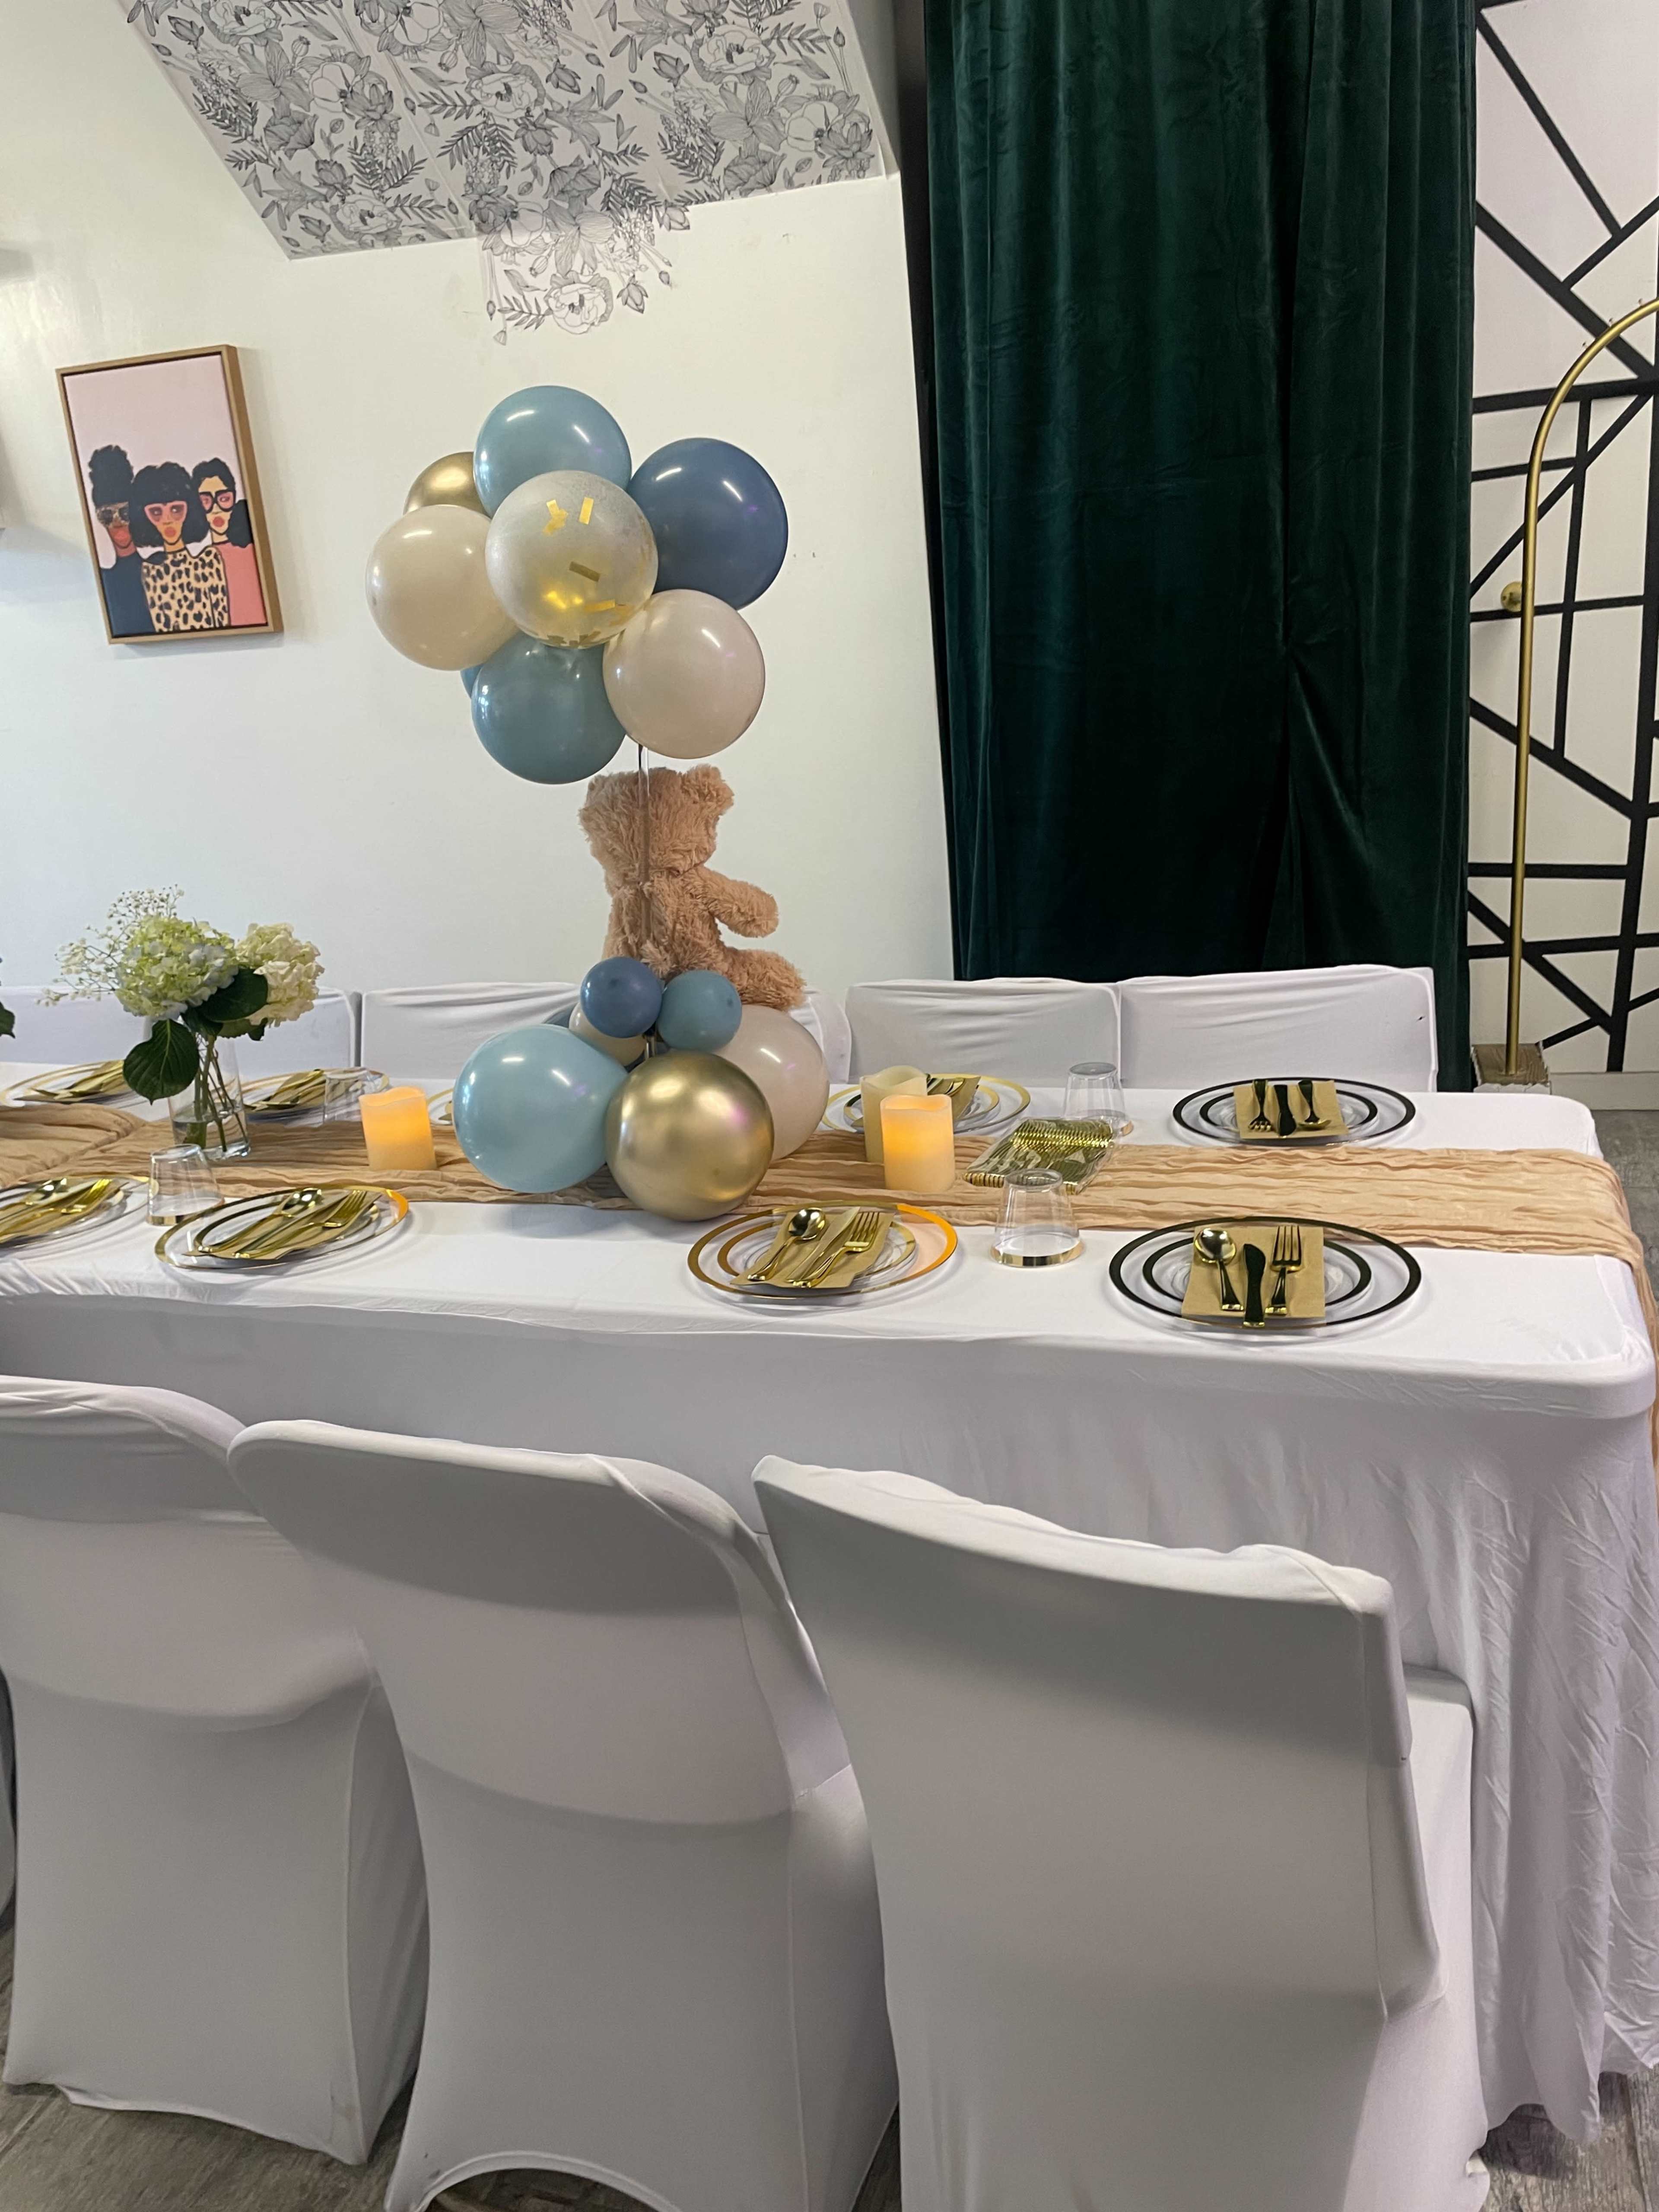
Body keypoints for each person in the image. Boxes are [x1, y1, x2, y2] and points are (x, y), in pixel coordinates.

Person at [130, 461, 229, 635]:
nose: (168, 520)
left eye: (176, 510)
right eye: (157, 512)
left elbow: (223, 620)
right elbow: (162, 628)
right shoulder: (150, 571)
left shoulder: (209, 561)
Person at [85, 445, 153, 638]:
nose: (117, 524)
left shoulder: (159, 567)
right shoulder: (104, 580)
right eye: (108, 515)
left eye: (124, 513)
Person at [191, 456, 267, 628]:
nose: (216, 509)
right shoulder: (201, 563)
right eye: (206, 501)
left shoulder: (253, 551)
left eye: (224, 499)